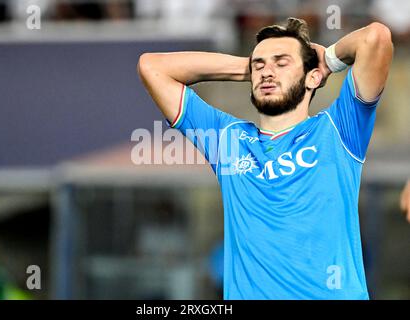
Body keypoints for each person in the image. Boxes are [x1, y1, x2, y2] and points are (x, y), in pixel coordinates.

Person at [137, 17, 393, 299]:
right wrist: (247, 68)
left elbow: (376, 38)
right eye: (259, 64)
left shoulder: (339, 128)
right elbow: (152, 66)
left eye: (282, 63)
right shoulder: (227, 139)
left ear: (312, 77)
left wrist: (329, 60)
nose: (267, 72)